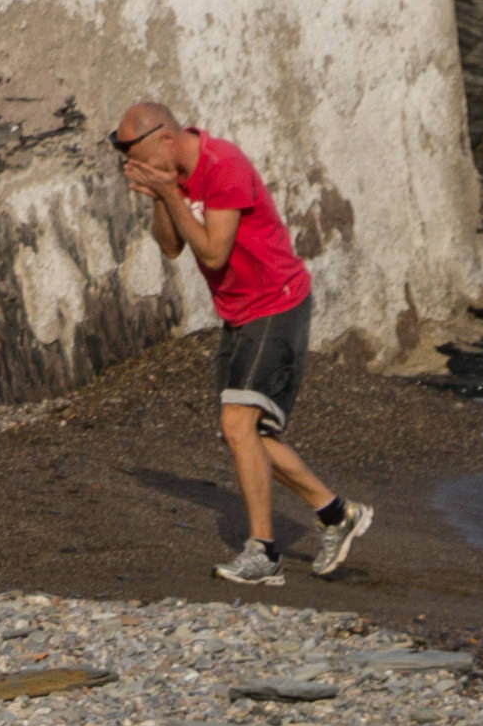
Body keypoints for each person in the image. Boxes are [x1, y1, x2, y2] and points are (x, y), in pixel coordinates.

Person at [114, 98, 373, 589]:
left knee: (238, 425)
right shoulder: (175, 177)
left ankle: (264, 553)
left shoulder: (222, 165)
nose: (135, 166)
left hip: (276, 303)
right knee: (251, 436)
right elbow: (171, 246)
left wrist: (168, 192)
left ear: (165, 138)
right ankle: (337, 514)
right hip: (239, 311)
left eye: (138, 156)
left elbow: (213, 253)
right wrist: (161, 196)